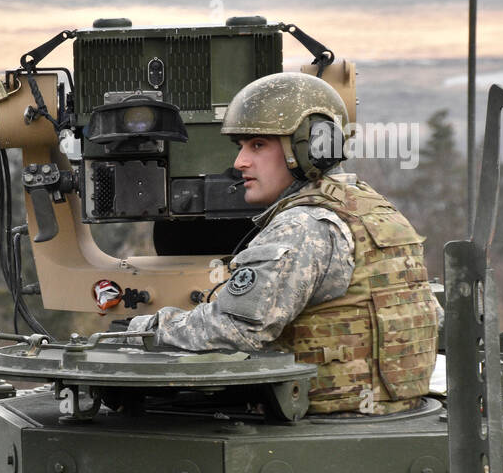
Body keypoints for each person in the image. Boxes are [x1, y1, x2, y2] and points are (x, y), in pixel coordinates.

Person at [125, 71, 439, 414]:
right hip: (401, 413)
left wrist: (147, 329)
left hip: (326, 426)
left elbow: (235, 329)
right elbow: (431, 315)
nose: (239, 163)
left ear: (308, 148)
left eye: (258, 145)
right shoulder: (375, 209)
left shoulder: (302, 225)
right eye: (241, 147)